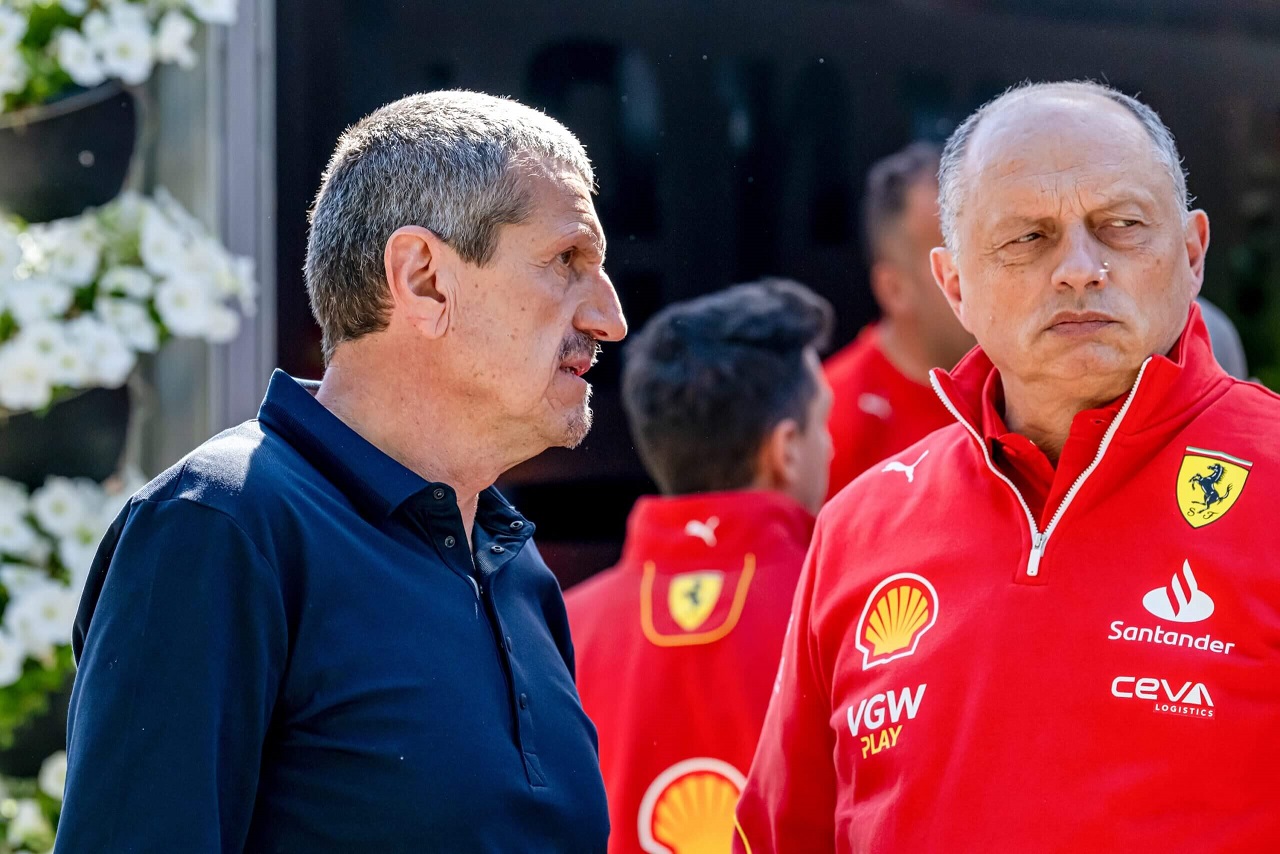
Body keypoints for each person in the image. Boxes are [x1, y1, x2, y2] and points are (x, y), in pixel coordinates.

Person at [57, 91, 626, 851]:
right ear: (423, 277)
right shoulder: (221, 523)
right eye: (567, 261)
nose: (610, 317)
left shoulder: (517, 571)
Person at [734, 80, 1280, 852]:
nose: (1079, 269)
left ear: (1192, 253)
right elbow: (782, 835)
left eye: (1121, 225)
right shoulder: (859, 526)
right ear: (954, 284)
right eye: (1028, 238)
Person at [566, 280, 833, 854]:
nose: (832, 448)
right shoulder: (843, 616)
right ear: (785, 448)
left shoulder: (554, 629)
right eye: (824, 424)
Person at [823, 142, 974, 499]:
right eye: (952, 251)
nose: (985, 267)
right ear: (894, 290)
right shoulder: (827, 424)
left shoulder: (1038, 389)